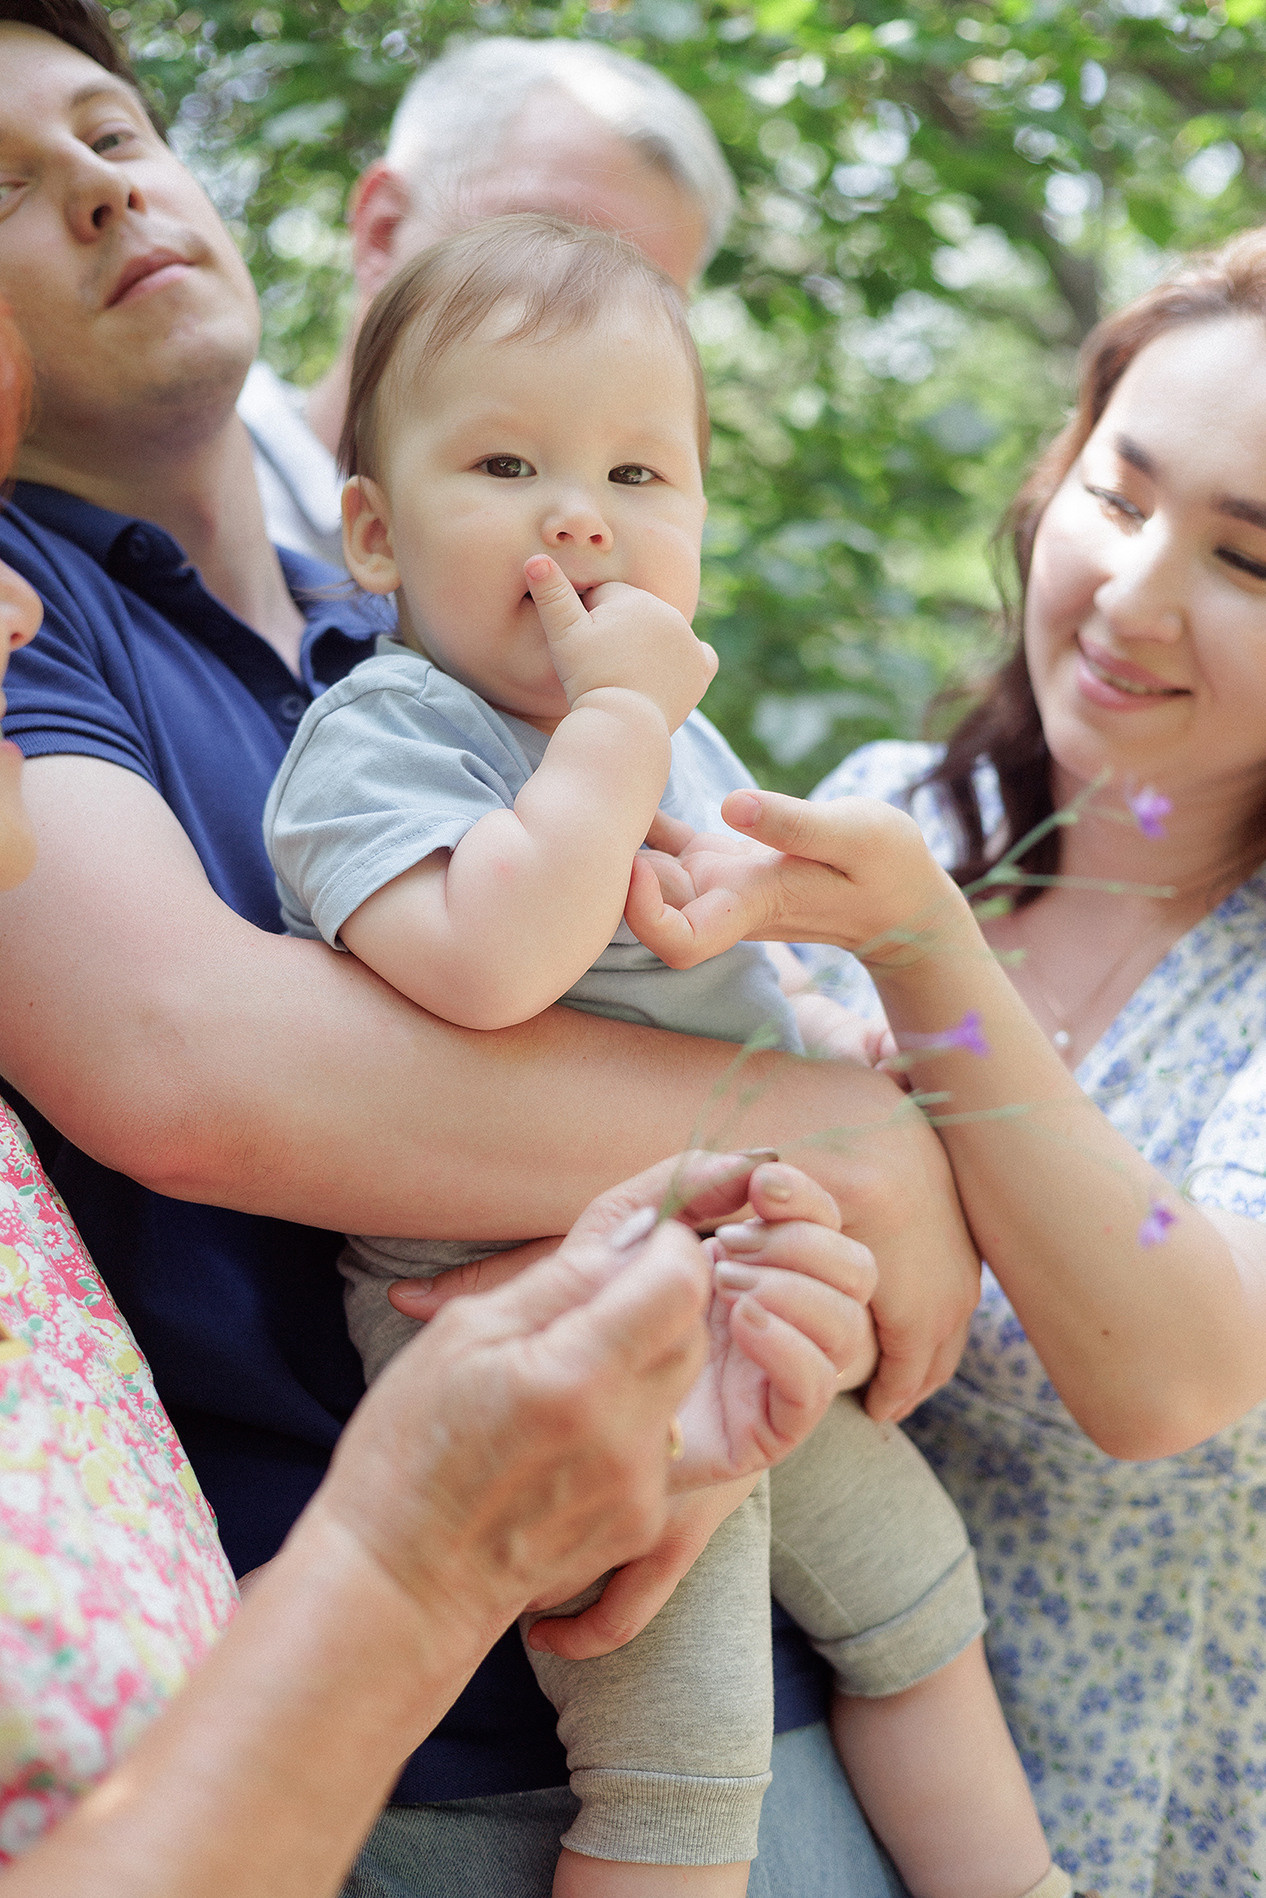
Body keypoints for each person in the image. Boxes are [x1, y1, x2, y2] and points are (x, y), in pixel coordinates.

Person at [0, 6, 983, 1890]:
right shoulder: (31, 625)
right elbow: (190, 1066)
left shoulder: (394, 628)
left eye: (116, 123)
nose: (107, 182)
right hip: (427, 1726)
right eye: (7, 183)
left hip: (741, 1573)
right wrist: (848, 1137)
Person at [263, 213, 1068, 1898]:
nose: (580, 513)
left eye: (640, 474)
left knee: (921, 1596)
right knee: (680, 1749)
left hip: (733, 1276)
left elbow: (719, 962)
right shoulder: (382, 734)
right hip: (535, 1318)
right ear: (375, 530)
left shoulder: (672, 733)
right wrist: (617, 723)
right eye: (506, 460)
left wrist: (827, 1019)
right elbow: (492, 962)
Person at [613, 225, 1266, 1893]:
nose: (1129, 591)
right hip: (767, 1798)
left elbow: (1174, 1374)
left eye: (1247, 561)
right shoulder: (889, 809)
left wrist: (925, 958)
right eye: (1119, 497)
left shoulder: (899, 896)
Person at [239, 34, 736, 565]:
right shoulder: (175, 499)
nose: (592, 323)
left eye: (647, 302)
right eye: (537, 251)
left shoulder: (606, 581)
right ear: (382, 232)